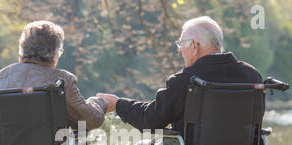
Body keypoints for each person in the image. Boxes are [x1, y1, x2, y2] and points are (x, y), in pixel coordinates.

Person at [97, 16, 262, 133]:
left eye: (181, 43)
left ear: (195, 46)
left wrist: (118, 104)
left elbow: (150, 120)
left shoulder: (187, 81)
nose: (179, 49)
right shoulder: (252, 77)